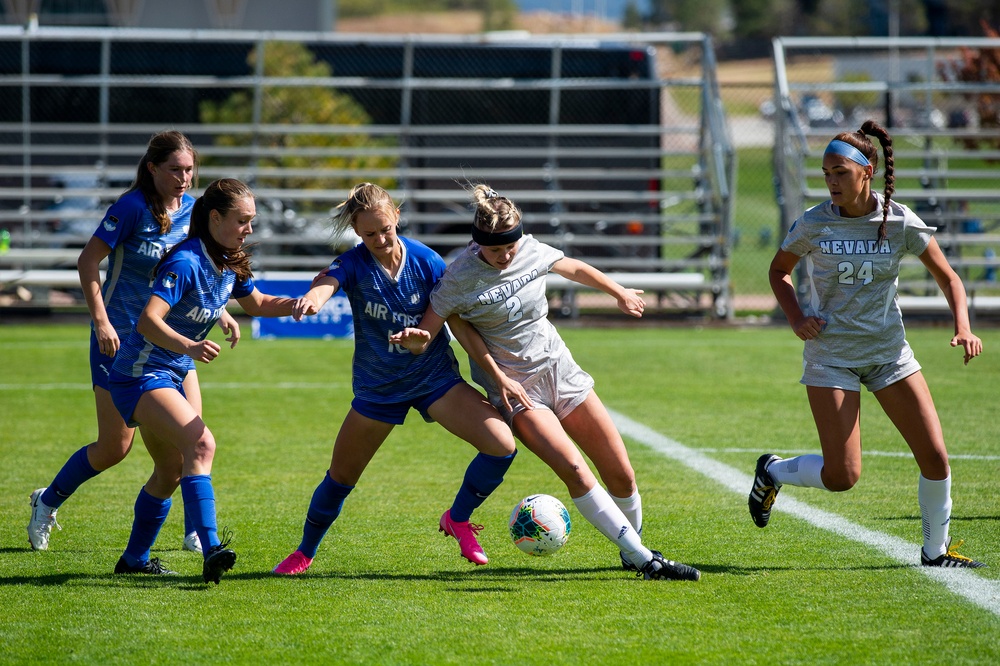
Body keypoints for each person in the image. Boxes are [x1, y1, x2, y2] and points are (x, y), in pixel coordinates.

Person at [390, 184, 700, 581]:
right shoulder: (458, 278)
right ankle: (646, 561)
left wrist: (618, 291)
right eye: (496, 251)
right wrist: (418, 340)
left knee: (621, 472)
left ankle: (632, 547)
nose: (505, 258)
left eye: (510, 250)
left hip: (561, 371)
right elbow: (430, 330)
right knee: (573, 467)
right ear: (477, 244)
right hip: (517, 390)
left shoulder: (530, 249)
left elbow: (571, 266)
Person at [748, 120, 986, 569]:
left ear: (867, 171)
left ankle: (936, 552)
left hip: (889, 355)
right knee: (843, 477)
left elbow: (949, 277)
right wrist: (797, 317)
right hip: (831, 357)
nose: (832, 182)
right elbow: (778, 271)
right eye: (826, 174)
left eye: (840, 172)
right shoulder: (814, 222)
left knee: (935, 456)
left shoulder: (898, 221)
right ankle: (773, 471)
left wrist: (964, 325)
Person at [272, 183, 519, 576]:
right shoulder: (353, 264)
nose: (380, 239)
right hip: (379, 389)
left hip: (434, 378)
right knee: (341, 478)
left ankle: (457, 519)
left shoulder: (427, 261)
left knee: (501, 445)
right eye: (369, 234)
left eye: (385, 229)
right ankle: (305, 552)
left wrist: (485, 368)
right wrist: (312, 300)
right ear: (357, 231)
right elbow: (326, 283)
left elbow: (453, 318)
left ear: (397, 218)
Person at [28, 131, 239, 554]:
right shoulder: (131, 208)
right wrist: (101, 322)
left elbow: (194, 271)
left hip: (171, 343)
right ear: (152, 169)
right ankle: (46, 501)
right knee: (114, 447)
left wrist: (219, 309)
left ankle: (198, 533)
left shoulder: (195, 213)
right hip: (120, 342)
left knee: (190, 446)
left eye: (189, 170)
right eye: (175, 169)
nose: (184, 178)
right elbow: (88, 260)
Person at [108, 178, 298, 583]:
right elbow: (148, 320)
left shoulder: (228, 259)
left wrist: (297, 305)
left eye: (252, 220)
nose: (249, 229)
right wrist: (191, 346)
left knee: (171, 470)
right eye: (242, 220)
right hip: (140, 371)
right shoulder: (186, 261)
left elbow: (258, 303)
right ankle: (211, 548)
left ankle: (133, 559)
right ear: (214, 218)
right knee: (201, 442)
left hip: (170, 370)